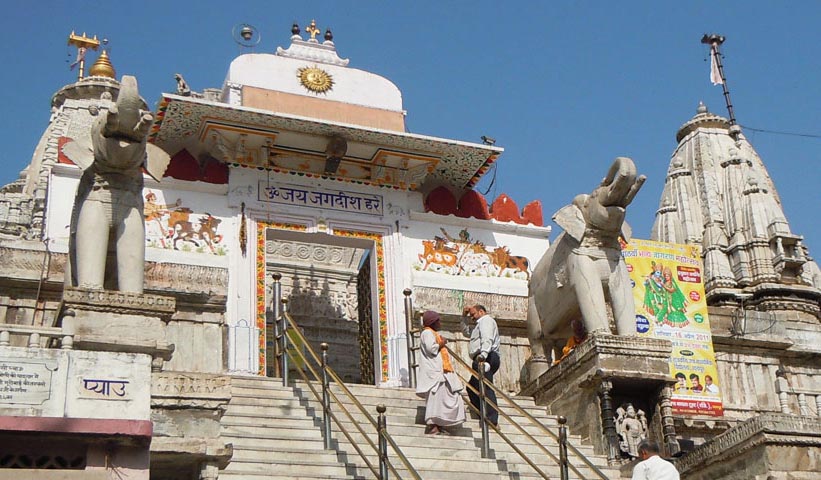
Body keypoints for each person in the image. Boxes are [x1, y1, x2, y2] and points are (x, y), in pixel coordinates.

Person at [416, 310, 465, 435]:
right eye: (438, 321)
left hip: (441, 371)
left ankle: (441, 423)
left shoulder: (432, 333)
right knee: (435, 399)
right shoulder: (427, 333)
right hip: (434, 373)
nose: (440, 323)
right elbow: (431, 349)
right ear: (433, 322)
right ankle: (433, 425)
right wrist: (442, 343)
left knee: (448, 396)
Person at [461, 304, 501, 428]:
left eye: (473, 314)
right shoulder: (479, 324)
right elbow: (466, 332)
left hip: (486, 356)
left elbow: (487, 338)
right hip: (483, 356)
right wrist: (464, 317)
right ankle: (483, 413)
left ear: (481, 311)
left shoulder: (486, 321)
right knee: (472, 387)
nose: (472, 317)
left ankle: (492, 419)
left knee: (486, 386)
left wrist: (483, 354)